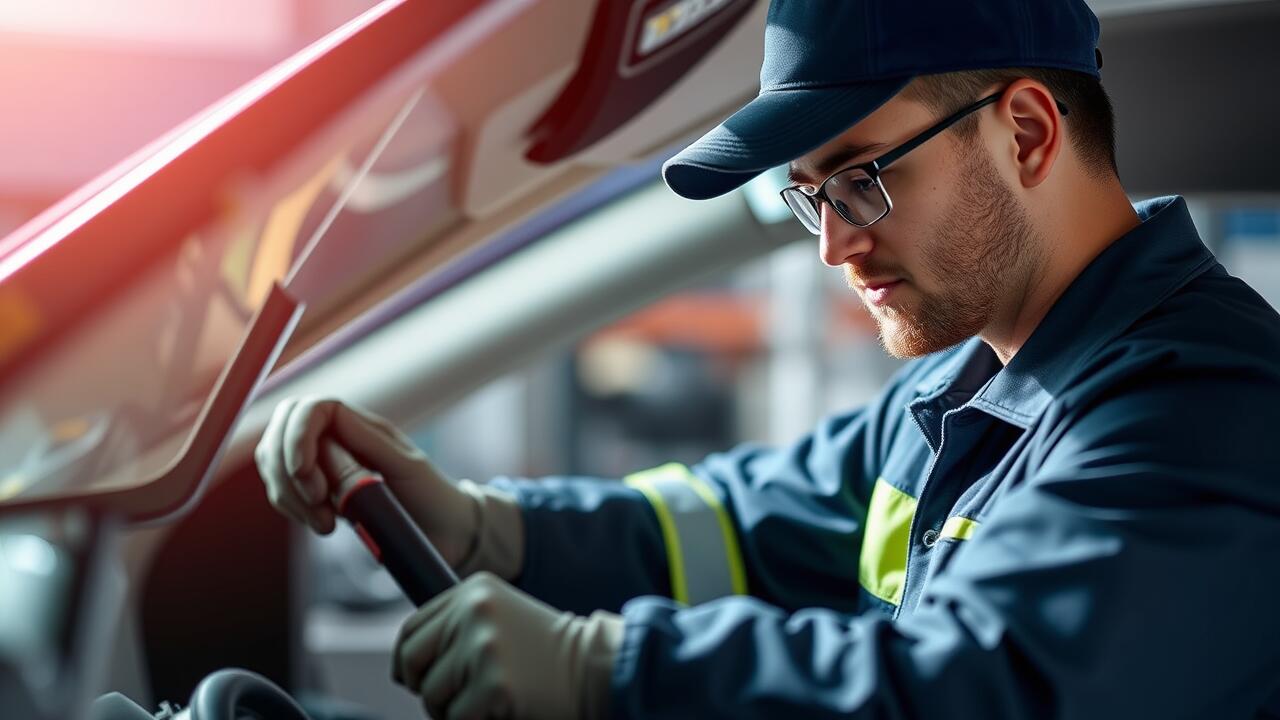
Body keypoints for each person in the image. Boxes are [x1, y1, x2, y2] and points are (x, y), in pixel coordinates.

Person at [255, 0, 1280, 717]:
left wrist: (606, 673)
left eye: (859, 179)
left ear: (1021, 132)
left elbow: (990, 688)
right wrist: (487, 528)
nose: (832, 244)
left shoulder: (1200, 408)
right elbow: (731, 525)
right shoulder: (958, 394)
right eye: (807, 198)